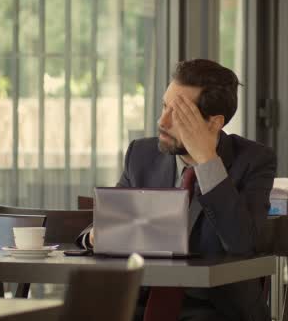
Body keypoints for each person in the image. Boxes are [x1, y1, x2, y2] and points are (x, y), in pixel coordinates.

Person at [78, 59, 276, 321]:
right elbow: (106, 224)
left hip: (216, 309)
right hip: (138, 303)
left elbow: (243, 243)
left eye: (179, 114)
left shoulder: (253, 160)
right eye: (164, 106)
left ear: (214, 123)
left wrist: (207, 161)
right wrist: (96, 235)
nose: (162, 120)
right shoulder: (141, 155)